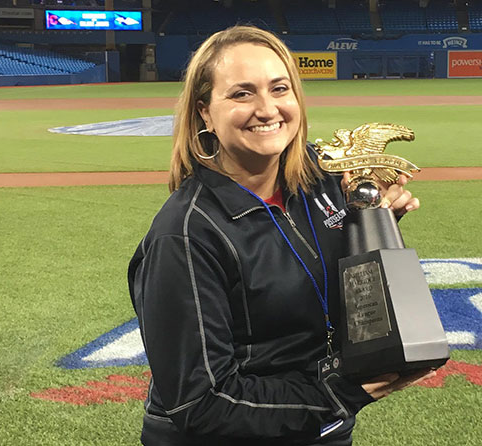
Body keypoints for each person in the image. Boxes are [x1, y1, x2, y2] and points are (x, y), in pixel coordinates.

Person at [128, 25, 434, 446]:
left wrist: (374, 226)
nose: (267, 108)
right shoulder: (185, 235)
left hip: (319, 427)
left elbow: (313, 277)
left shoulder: (320, 180)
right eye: (241, 94)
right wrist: (337, 392)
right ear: (204, 112)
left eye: (279, 88)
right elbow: (201, 403)